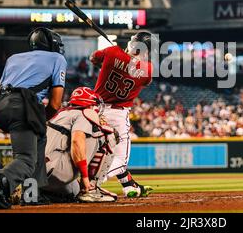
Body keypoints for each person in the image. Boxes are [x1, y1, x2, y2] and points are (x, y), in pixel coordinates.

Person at [0, 27, 67, 209]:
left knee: (39, 139)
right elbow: (55, 103)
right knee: (27, 159)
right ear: (52, 45)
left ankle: (31, 194)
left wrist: (37, 121)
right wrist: (42, 117)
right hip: (22, 104)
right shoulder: (58, 58)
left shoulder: (14, 58)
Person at [89, 31, 157, 198]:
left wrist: (112, 59)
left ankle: (128, 186)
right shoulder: (147, 70)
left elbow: (93, 58)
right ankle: (91, 182)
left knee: (96, 151)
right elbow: (141, 77)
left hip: (93, 111)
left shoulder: (112, 52)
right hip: (117, 116)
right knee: (120, 160)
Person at [41, 87, 118, 203]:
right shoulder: (84, 113)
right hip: (54, 171)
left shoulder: (61, 113)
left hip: (38, 173)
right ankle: (91, 188)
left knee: (74, 191)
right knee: (109, 134)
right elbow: (77, 141)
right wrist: (85, 178)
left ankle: (44, 193)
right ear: (89, 104)